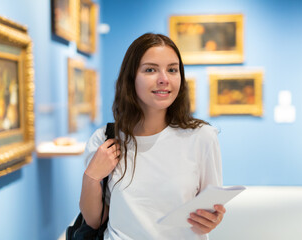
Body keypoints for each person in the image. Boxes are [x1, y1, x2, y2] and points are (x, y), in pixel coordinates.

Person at [79, 33, 225, 240]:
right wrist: (91, 177)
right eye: (150, 70)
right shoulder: (105, 139)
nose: (164, 79)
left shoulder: (202, 137)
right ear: (131, 78)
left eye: (172, 70)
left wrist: (212, 220)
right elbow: (94, 220)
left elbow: (209, 211)